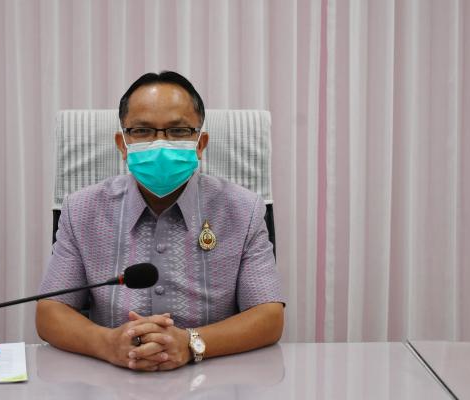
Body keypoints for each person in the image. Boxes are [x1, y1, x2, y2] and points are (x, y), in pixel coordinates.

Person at [36, 71, 285, 372]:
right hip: (111, 379)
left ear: (201, 144)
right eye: (142, 131)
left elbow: (269, 316)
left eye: (178, 131)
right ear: (122, 144)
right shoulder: (82, 210)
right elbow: (50, 312)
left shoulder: (243, 210)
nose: (160, 143)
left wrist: (191, 343)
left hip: (215, 376)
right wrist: (108, 344)